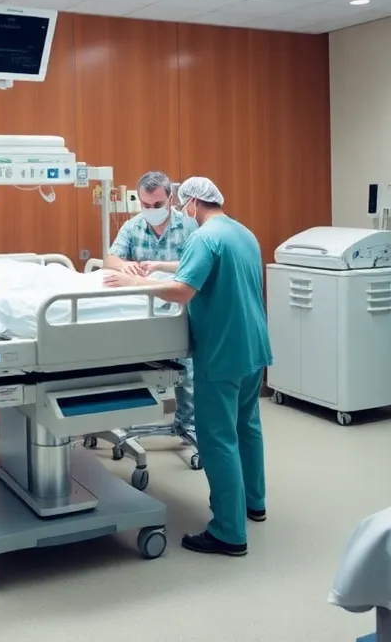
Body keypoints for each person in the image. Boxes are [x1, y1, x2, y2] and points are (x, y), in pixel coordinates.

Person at [104, 176, 269, 557]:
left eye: (182, 204)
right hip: (254, 346)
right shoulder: (242, 233)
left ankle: (229, 532)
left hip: (222, 351)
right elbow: (204, 266)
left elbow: (182, 291)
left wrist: (133, 286)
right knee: (248, 427)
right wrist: (160, 264)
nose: (181, 210)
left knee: (217, 439)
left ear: (193, 203)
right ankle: (253, 505)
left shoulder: (201, 236)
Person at [104, 170, 197, 437]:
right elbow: (110, 260)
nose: (151, 210)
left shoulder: (188, 226)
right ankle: (125, 423)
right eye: (145, 205)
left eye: (157, 205)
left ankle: (187, 425)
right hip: (143, 315)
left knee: (187, 370)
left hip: (181, 310)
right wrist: (125, 265)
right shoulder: (133, 227)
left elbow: (199, 266)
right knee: (125, 365)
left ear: (170, 199)